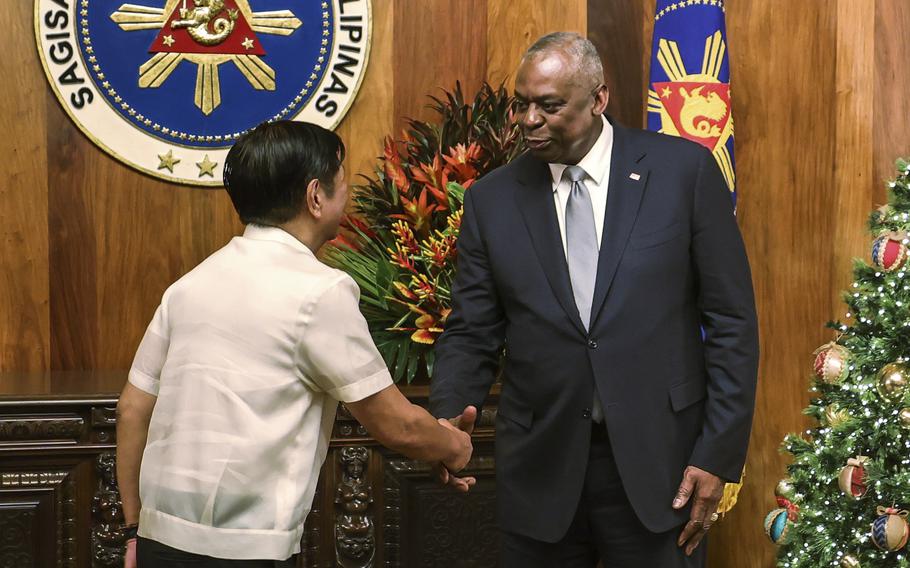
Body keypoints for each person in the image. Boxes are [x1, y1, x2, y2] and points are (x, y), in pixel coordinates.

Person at [429, 32, 759, 567]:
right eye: (522, 104)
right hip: (541, 468)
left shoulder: (683, 173)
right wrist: (445, 419)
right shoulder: (491, 200)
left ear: (598, 98)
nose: (528, 120)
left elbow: (731, 323)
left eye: (550, 105)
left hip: (663, 465)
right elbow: (471, 330)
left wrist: (717, 454)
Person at [115, 121, 475, 568]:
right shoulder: (321, 292)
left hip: (156, 541)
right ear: (315, 197)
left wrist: (134, 531)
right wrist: (454, 447)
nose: (346, 196)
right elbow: (395, 425)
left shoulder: (188, 285)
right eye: (341, 184)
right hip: (243, 552)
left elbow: (132, 409)